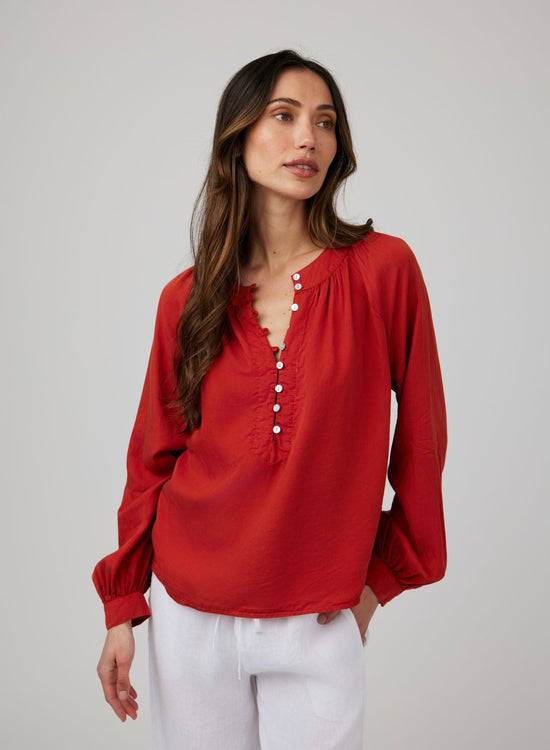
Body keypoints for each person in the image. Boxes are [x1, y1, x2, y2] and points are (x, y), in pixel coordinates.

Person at [93, 49, 447, 750]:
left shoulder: (385, 271)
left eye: (325, 121)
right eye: (283, 116)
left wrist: (376, 585)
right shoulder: (187, 298)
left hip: (320, 616)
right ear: (239, 135)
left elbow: (423, 438)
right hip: (189, 613)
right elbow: (153, 457)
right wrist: (122, 607)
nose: (307, 137)